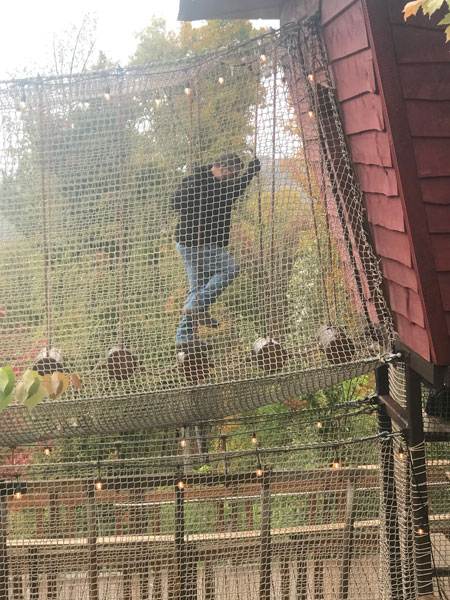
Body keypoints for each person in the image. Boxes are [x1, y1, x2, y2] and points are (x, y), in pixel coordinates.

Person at [172, 152, 261, 350]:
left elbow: (234, 193)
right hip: (195, 243)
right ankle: (195, 306)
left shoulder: (222, 187)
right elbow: (175, 202)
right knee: (230, 269)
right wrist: (197, 192)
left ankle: (183, 338)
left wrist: (249, 173)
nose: (233, 180)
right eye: (231, 175)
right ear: (221, 167)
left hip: (194, 244)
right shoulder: (198, 180)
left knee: (197, 287)